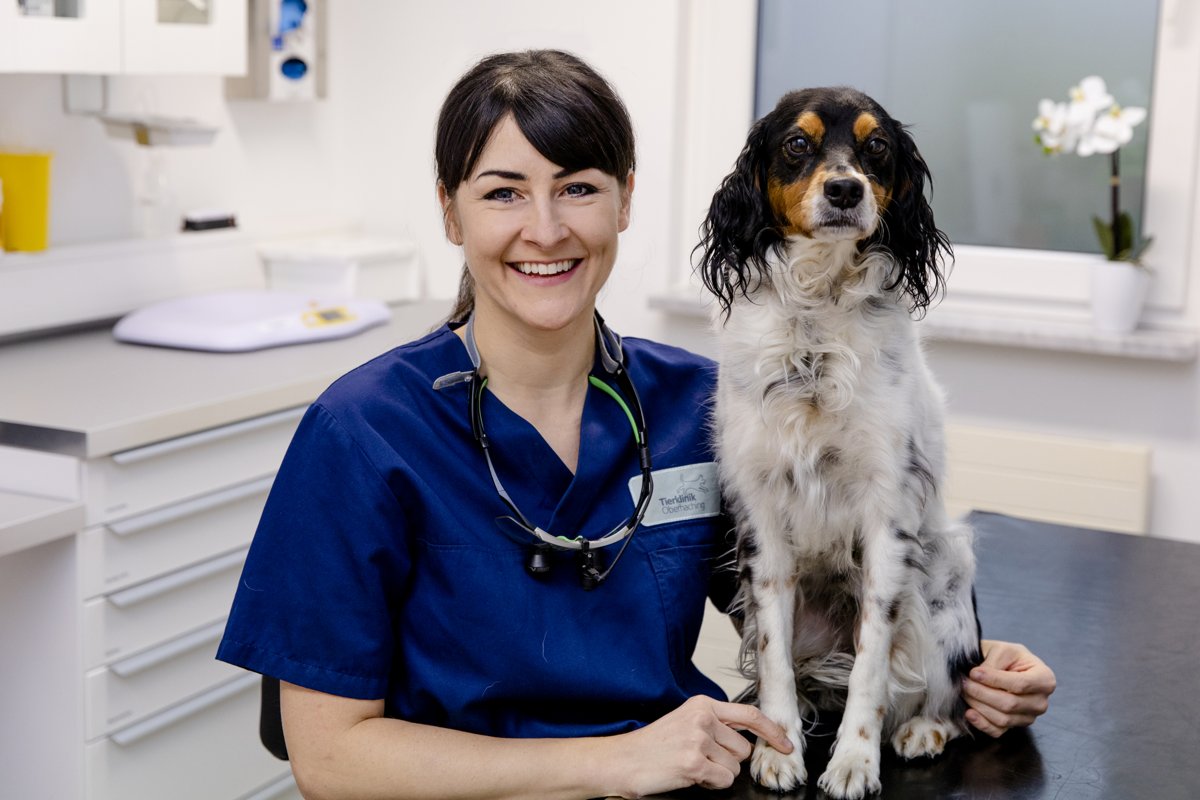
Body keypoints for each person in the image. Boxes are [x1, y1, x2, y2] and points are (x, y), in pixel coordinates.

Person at [217, 49, 1055, 799]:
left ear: (624, 204)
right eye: (503, 193)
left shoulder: (697, 403)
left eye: (578, 188)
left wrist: (961, 665)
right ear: (449, 212)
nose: (545, 230)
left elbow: (814, 591)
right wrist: (613, 761)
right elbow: (328, 761)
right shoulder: (363, 431)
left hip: (679, 782)